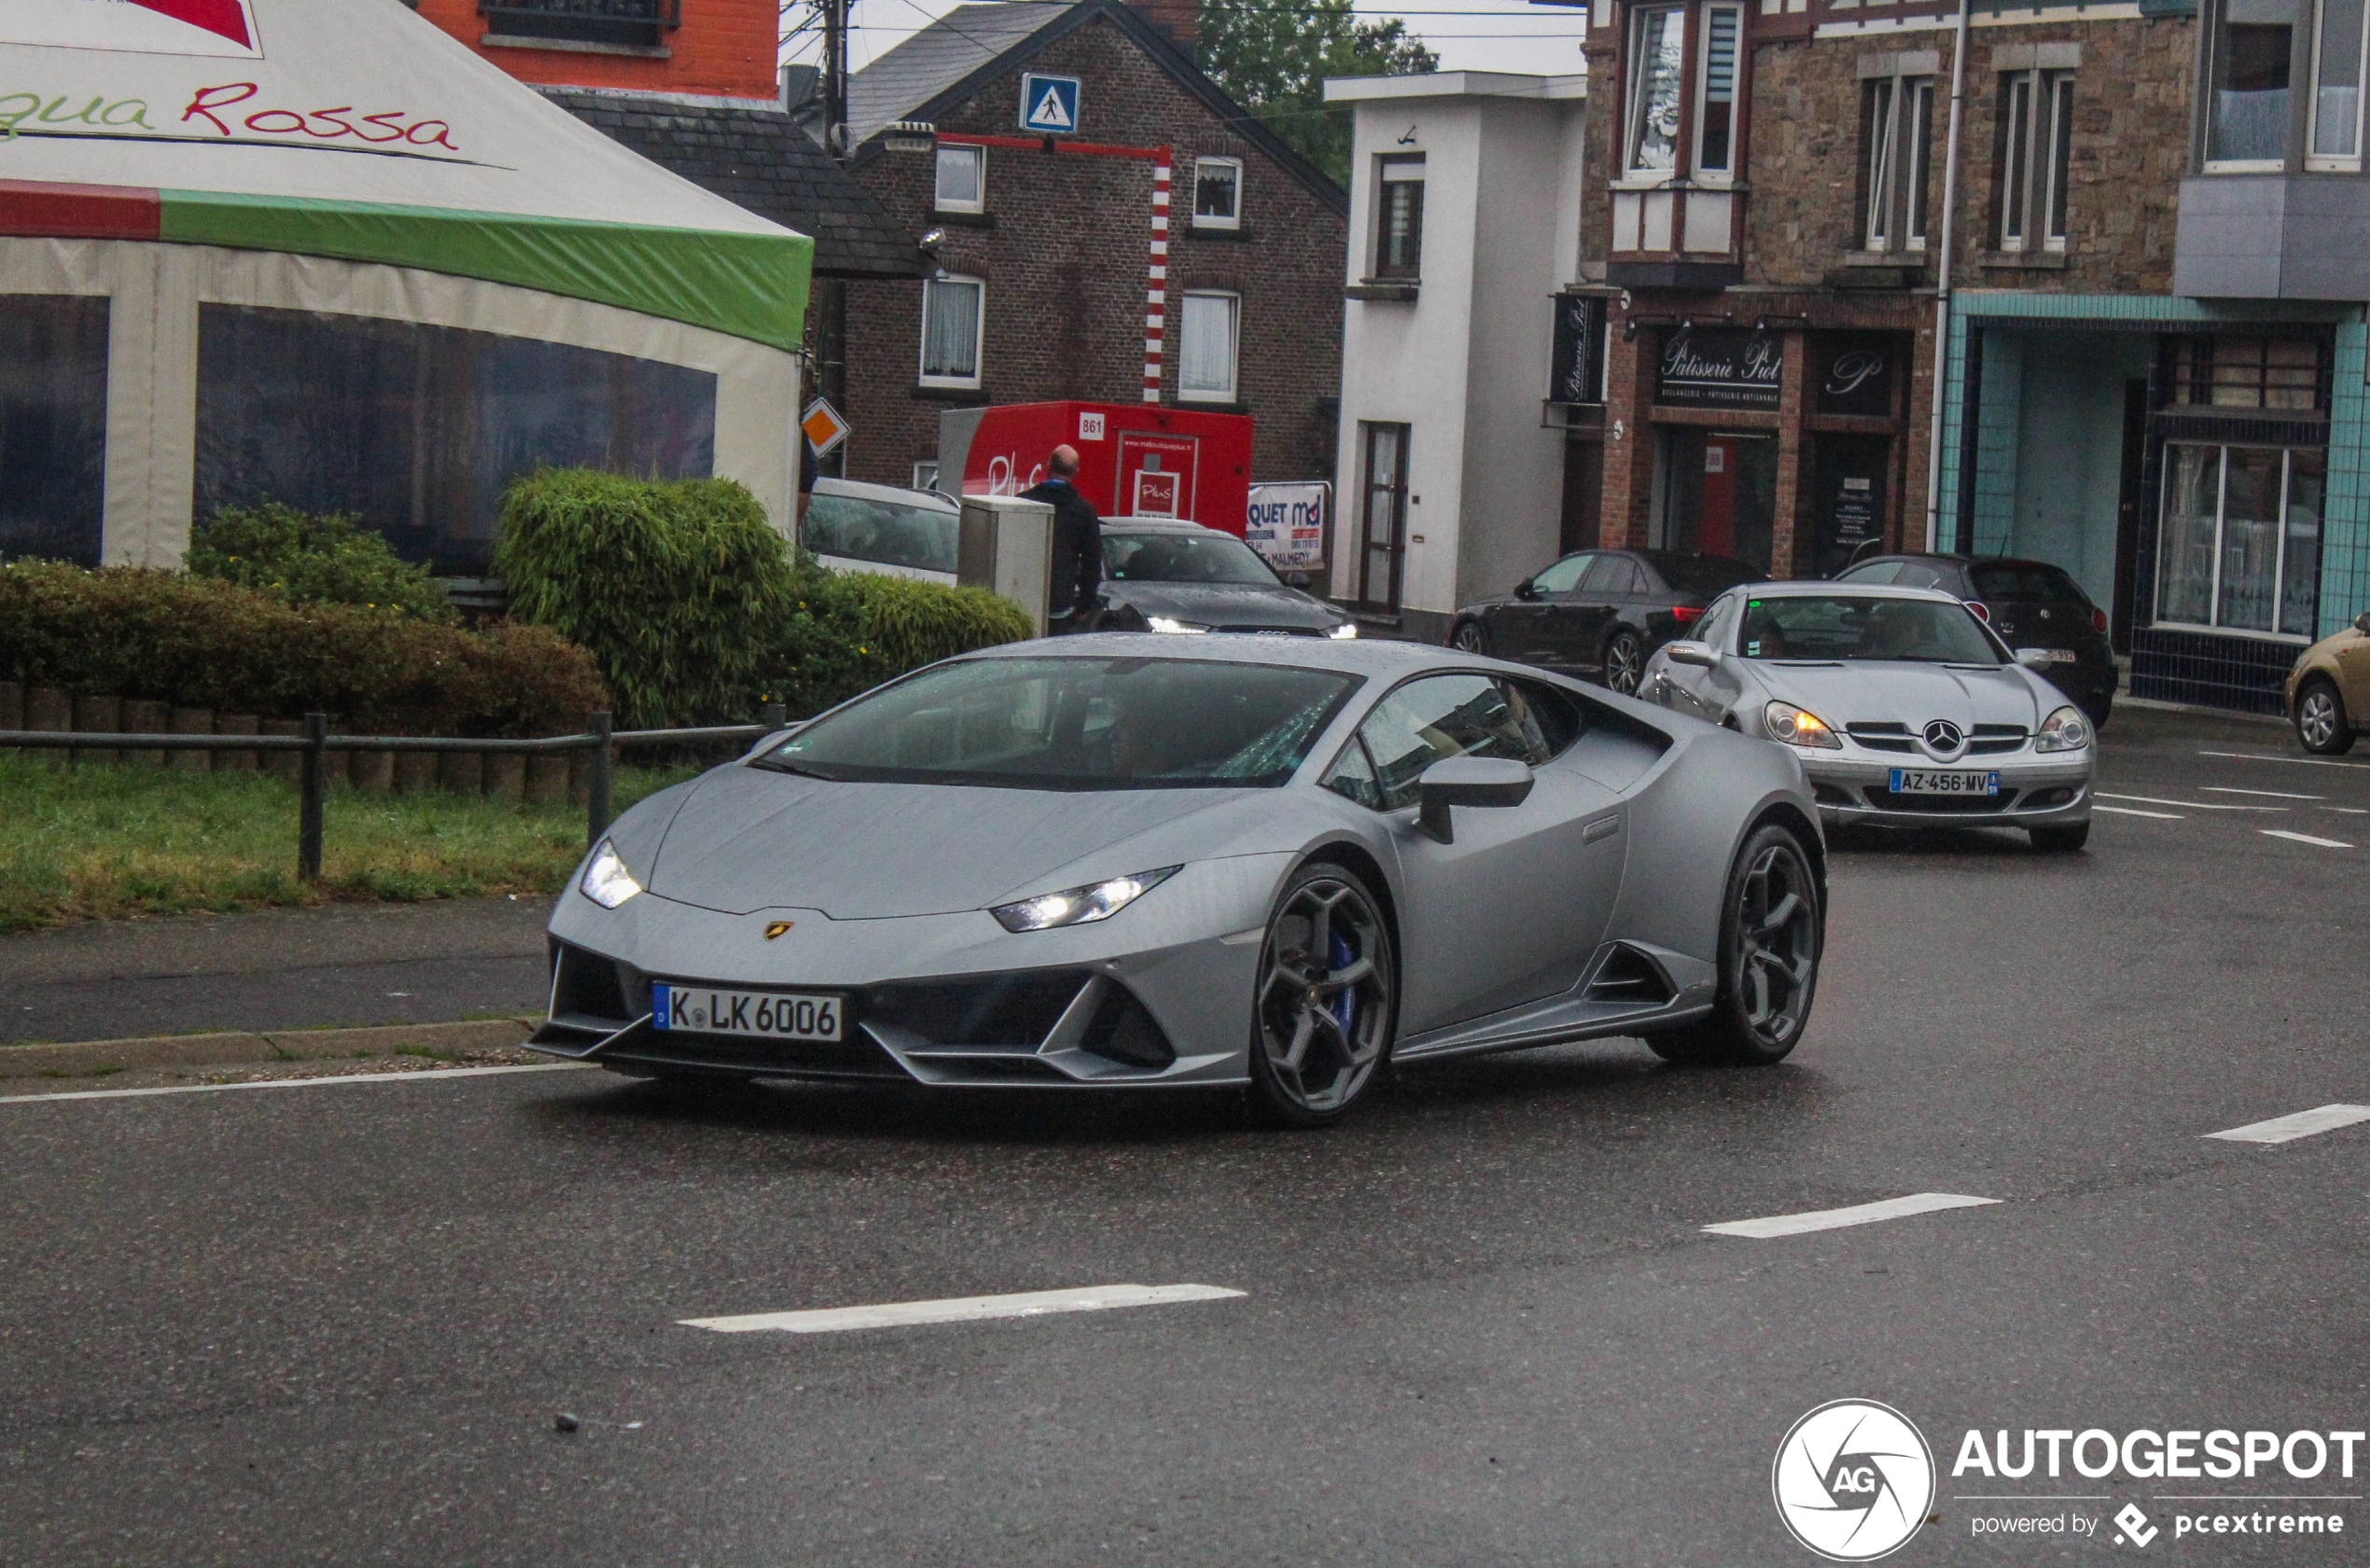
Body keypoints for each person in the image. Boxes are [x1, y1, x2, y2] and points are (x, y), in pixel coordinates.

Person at [1021, 445, 1104, 633]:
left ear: (1048, 465)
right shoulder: (1084, 512)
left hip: (1023, 597)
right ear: (1076, 472)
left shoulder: (1024, 502)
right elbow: (1092, 562)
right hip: (1061, 602)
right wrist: (1084, 605)